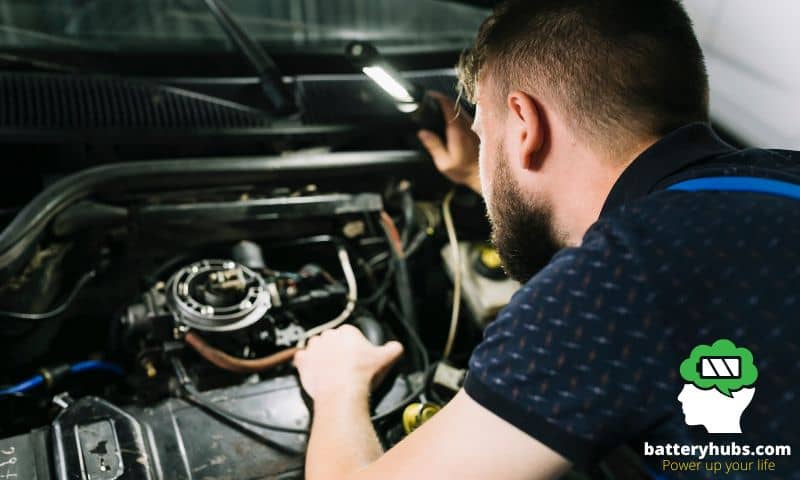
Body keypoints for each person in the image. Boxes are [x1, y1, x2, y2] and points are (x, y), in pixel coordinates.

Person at [293, 1, 800, 478]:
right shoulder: (778, 176)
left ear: (524, 124)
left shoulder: (609, 288)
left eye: (484, 135)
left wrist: (340, 385)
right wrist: (489, 175)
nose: (484, 158)